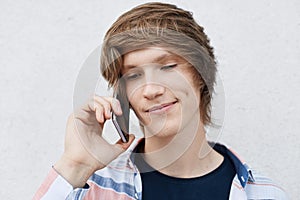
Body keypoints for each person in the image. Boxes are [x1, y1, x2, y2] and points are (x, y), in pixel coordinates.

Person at [34, 2, 288, 200]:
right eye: (133, 75)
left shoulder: (264, 194)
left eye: (167, 67)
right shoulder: (93, 188)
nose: (151, 89)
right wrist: (75, 165)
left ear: (201, 73)